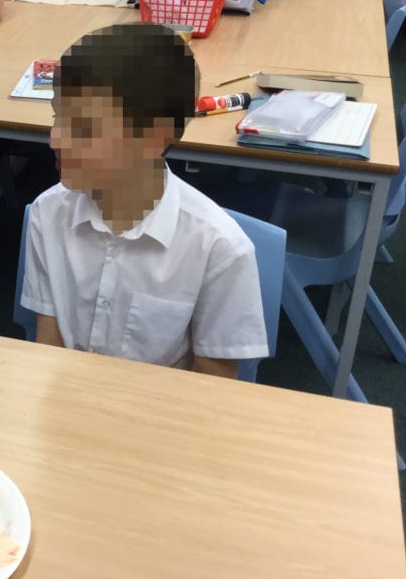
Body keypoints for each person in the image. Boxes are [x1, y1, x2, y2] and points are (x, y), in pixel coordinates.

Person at [20, 24, 269, 378]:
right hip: (67, 399)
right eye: (57, 117)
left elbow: (213, 389)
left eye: (84, 129)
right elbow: (49, 349)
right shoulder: (48, 213)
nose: (55, 140)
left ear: (154, 138)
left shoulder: (219, 249)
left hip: (161, 410)